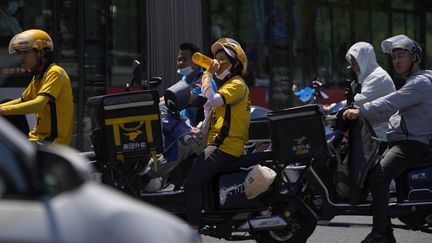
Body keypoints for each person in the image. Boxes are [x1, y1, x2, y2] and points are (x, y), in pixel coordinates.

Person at [343, 35, 432, 243]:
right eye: (393, 58)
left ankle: (380, 234)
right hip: (404, 140)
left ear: (414, 58)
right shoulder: (414, 82)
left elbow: (390, 102)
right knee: (372, 166)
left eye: (401, 56)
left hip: (412, 143)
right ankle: (385, 232)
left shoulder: (419, 83)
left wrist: (360, 110)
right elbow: (391, 109)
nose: (396, 61)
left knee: (378, 176)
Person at [184, 38, 250, 229]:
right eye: (216, 58)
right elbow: (210, 109)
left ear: (235, 64)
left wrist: (207, 74)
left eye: (223, 59)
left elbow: (211, 99)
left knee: (191, 184)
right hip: (218, 144)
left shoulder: (237, 83)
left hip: (225, 146)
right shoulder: (226, 86)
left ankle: (192, 233)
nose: (217, 62)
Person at [0, 29, 74, 145]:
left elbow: (38, 104)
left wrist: (2, 110)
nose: (21, 57)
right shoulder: (38, 77)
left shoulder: (55, 72)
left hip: (51, 144)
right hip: (36, 139)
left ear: (41, 52)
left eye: (26, 52)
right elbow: (22, 101)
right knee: (6, 102)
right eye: (20, 53)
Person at [342, 42, 396, 141]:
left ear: (363, 59)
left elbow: (359, 101)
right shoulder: (368, 76)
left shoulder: (377, 77)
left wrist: (332, 108)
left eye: (355, 60)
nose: (352, 63)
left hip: (380, 133)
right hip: (371, 129)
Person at [176, 42, 216, 126]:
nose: (180, 63)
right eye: (179, 59)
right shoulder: (184, 79)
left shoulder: (204, 81)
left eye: (184, 59)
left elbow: (183, 98)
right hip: (189, 130)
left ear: (196, 61)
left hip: (204, 131)